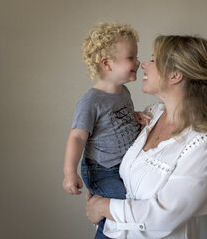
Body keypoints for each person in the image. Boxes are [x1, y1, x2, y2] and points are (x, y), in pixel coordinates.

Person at [85, 35, 207, 239]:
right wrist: (100, 191)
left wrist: (104, 207)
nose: (143, 65)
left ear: (175, 75)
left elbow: (164, 215)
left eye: (153, 60)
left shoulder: (205, 145)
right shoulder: (151, 114)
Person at [62, 21, 150, 239]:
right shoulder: (91, 101)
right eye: (131, 57)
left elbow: (114, 120)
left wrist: (134, 116)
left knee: (132, 207)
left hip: (123, 166)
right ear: (107, 63)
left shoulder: (123, 92)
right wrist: (69, 172)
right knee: (117, 210)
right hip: (102, 170)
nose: (138, 62)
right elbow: (77, 136)